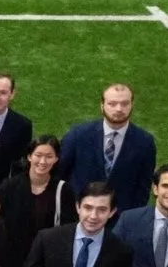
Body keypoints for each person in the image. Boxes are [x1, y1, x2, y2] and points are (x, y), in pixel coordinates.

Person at [54, 83, 158, 212]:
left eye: (125, 103)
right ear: (102, 105)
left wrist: (130, 216)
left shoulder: (144, 142)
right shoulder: (78, 135)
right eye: (112, 104)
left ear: (132, 105)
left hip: (120, 219)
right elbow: (60, 173)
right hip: (79, 213)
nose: (119, 109)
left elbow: (143, 186)